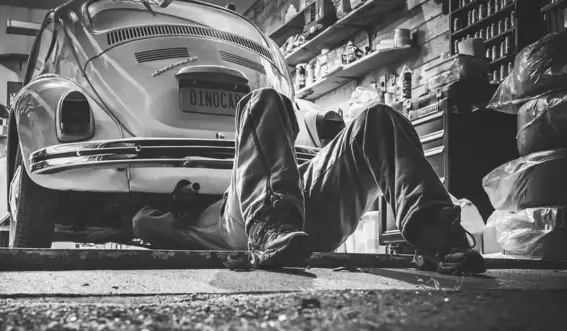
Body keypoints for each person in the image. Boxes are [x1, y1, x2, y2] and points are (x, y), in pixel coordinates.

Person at [132, 88, 486, 276]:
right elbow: (142, 220)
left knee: (378, 120)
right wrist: (179, 203)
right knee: (263, 100)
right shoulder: (180, 221)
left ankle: (439, 237)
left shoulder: (253, 171)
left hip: (302, 216)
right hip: (250, 227)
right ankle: (270, 229)